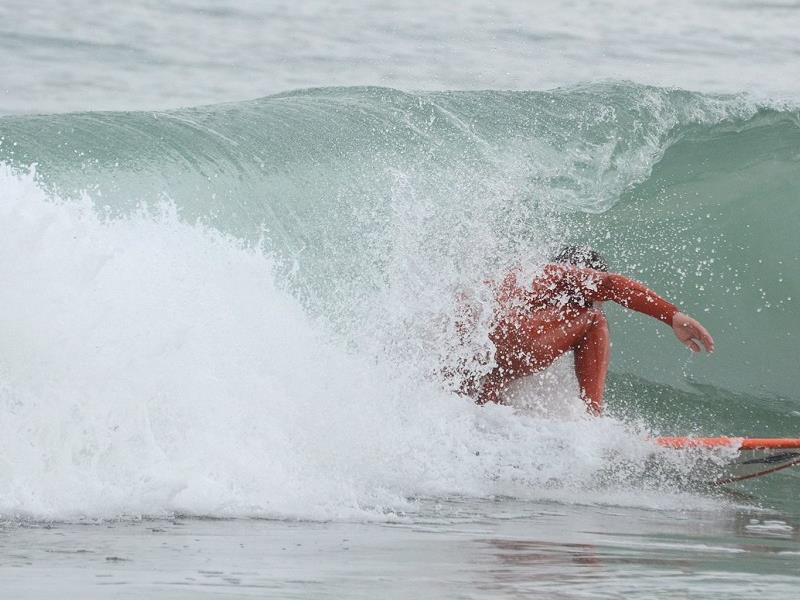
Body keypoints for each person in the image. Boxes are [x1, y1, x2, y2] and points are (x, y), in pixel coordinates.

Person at [476, 246, 714, 415]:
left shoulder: (523, 284)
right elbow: (611, 284)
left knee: (491, 388)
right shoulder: (560, 274)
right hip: (506, 334)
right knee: (594, 320)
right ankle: (592, 421)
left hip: (468, 347)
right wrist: (672, 316)